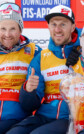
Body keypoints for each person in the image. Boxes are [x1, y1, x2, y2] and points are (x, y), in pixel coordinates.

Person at [7, 5, 81, 134]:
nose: (57, 29)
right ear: (48, 27)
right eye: (53, 24)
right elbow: (29, 106)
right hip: (44, 116)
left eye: (63, 24)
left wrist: (82, 54)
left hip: (70, 118)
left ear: (73, 27)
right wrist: (28, 91)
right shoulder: (41, 57)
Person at [0, 2, 42, 134]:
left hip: (18, 118)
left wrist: (77, 50)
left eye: (12, 28)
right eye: (2, 29)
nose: (7, 34)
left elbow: (57, 58)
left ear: (20, 29)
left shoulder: (34, 51)